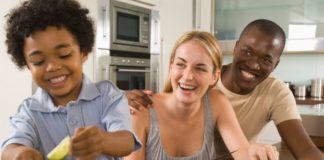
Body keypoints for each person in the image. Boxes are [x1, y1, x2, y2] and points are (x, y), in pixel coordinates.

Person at [126, 19, 324, 159]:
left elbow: (244, 152)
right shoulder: (147, 110)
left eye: (200, 68)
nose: (254, 65)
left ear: (214, 75)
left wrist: (255, 152)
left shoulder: (219, 102)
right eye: (248, 51)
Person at [1, 0, 140, 159]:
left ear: (84, 52)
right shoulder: (29, 110)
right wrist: (19, 153)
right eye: (38, 61)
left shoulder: (107, 95)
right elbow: (10, 147)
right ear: (27, 64)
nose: (52, 67)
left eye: (64, 55)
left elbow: (127, 141)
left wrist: (101, 140)